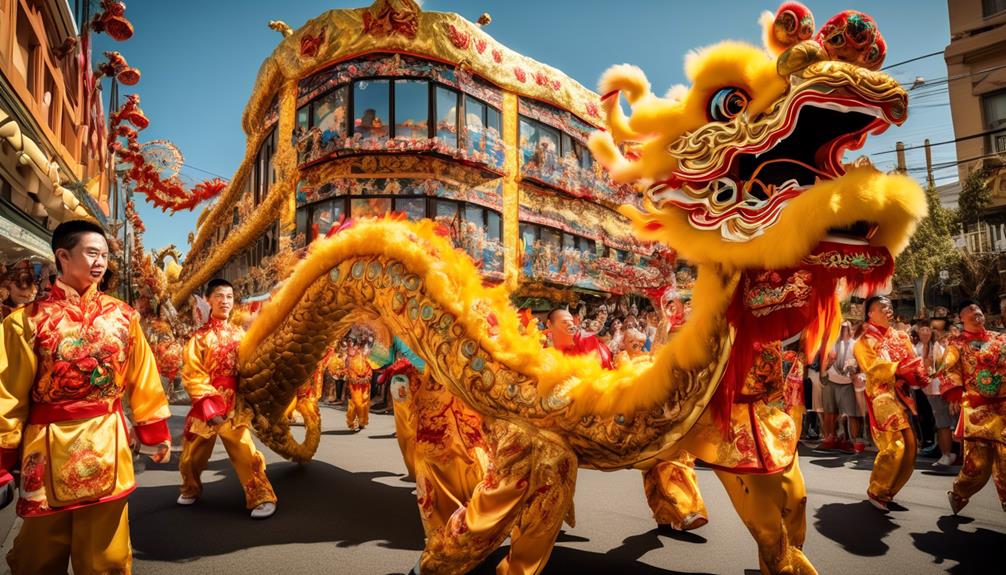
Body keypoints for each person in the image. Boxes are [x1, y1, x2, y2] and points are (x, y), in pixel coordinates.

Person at [0, 219, 172, 574]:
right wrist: (2, 459)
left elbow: (143, 376)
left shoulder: (124, 317)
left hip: (107, 443)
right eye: (92, 253)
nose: (100, 262)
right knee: (37, 555)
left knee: (105, 556)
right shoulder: (24, 322)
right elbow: (7, 392)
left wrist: (153, 432)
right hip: (46, 448)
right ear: (63, 256)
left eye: (105, 255)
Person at [177, 278, 277, 519]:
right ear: (209, 300)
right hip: (207, 404)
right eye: (220, 296)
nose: (225, 301)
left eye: (229, 297)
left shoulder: (240, 336)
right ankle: (191, 487)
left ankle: (262, 496)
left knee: (245, 450)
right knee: (192, 455)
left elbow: (250, 367)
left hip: (234, 405)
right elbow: (192, 374)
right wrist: (209, 407)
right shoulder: (199, 338)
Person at [853, 295, 926, 511]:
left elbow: (912, 360)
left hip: (902, 396)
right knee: (895, 444)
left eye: (890, 307)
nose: (889, 310)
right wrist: (899, 369)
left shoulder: (901, 336)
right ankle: (877, 489)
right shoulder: (864, 342)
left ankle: (888, 490)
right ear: (871, 313)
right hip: (882, 397)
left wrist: (919, 374)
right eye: (883, 307)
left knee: (911, 447)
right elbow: (872, 367)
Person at [939, 300, 1006, 514]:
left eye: (978, 310)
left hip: (1003, 406)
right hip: (977, 409)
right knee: (978, 463)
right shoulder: (956, 344)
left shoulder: (999, 339)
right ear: (960, 318)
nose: (976, 314)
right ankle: (960, 492)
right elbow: (948, 367)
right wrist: (954, 393)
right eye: (970, 311)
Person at [915, 320, 955, 466]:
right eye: (924, 329)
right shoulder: (924, 346)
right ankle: (946, 452)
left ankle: (947, 454)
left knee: (944, 423)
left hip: (941, 389)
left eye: (930, 329)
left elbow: (934, 368)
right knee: (941, 423)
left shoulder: (939, 347)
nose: (927, 332)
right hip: (931, 390)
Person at [821, 321, 864, 453]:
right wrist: (829, 364)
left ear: (851, 329)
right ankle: (830, 438)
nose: (844, 330)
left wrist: (856, 372)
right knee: (830, 412)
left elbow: (861, 364)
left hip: (847, 382)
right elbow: (825, 364)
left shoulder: (856, 344)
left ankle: (852, 440)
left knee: (851, 413)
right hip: (832, 380)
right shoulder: (832, 343)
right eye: (841, 328)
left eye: (846, 328)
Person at [545, 308, 612, 369]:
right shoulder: (542, 341)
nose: (570, 324)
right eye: (564, 322)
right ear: (549, 324)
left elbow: (596, 364)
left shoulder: (585, 339)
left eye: (571, 321)